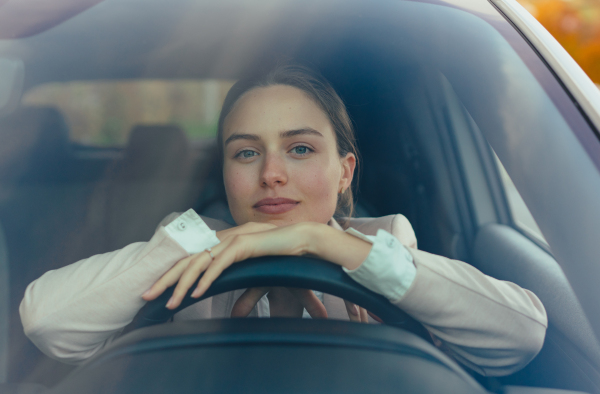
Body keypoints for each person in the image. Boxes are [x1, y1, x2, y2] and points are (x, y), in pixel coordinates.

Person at [19, 63, 547, 377]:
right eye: (246, 154)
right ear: (226, 173)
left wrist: (331, 246)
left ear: (345, 172)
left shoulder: (384, 249)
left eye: (298, 148)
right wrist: (209, 242)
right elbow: (48, 323)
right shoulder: (188, 263)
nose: (271, 174)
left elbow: (522, 336)